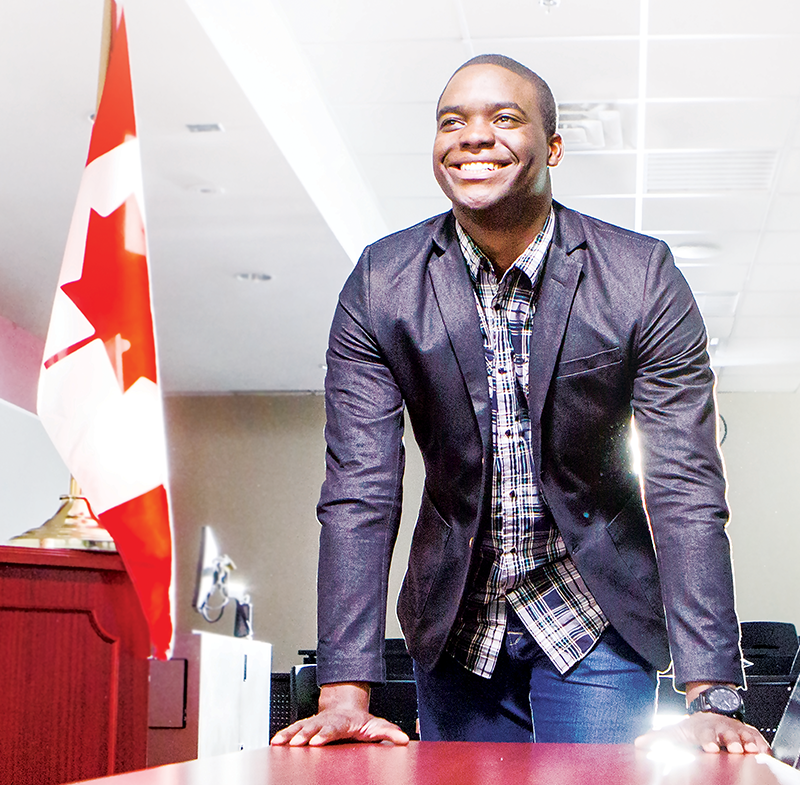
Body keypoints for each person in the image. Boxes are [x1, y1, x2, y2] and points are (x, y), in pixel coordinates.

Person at [272, 54, 769, 754]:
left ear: (554, 147)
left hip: (592, 609)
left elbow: (683, 479)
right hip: (454, 619)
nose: (474, 136)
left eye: (504, 118)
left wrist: (711, 690)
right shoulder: (382, 285)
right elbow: (360, 487)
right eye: (453, 122)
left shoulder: (640, 277)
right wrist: (345, 689)